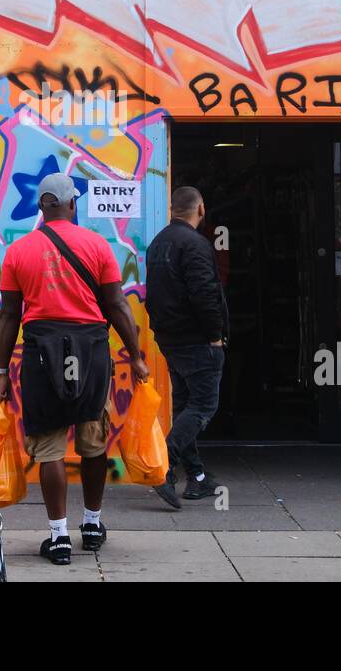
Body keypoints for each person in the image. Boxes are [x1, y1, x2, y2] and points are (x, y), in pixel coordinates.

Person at [0, 172, 150, 565]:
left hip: (40, 355)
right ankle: (93, 525)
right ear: (72, 203)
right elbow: (116, 305)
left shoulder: (18, 251)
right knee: (93, 442)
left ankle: (58, 536)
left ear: (41, 205)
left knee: (49, 450)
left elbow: (10, 315)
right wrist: (136, 354)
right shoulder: (97, 245)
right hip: (92, 353)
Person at [144, 186, 229, 509]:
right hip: (196, 339)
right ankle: (165, 466)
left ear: (171, 209)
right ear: (201, 208)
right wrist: (215, 334)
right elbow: (204, 293)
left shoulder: (159, 244)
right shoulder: (195, 244)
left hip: (170, 339)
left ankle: (197, 476)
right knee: (204, 405)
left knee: (185, 406)